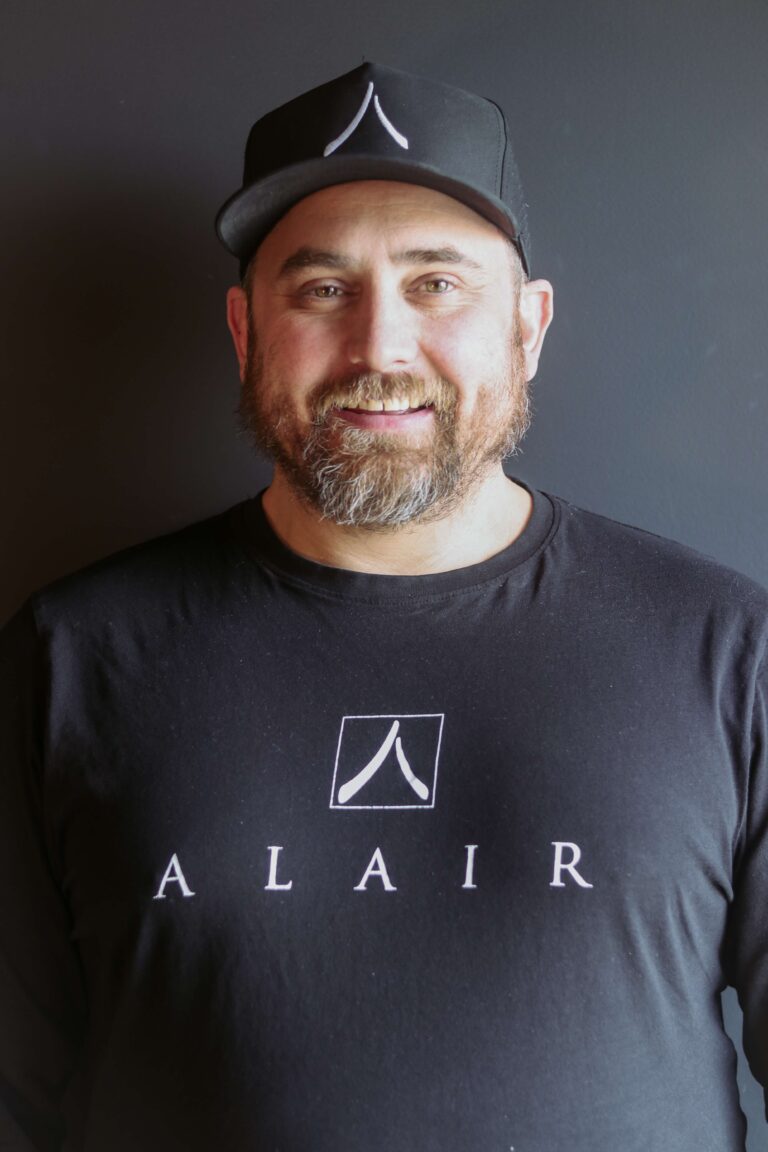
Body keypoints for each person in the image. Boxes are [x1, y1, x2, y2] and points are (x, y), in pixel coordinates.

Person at [1, 61, 766, 1152]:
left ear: (530, 326)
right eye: (322, 289)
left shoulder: (727, 653)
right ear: (244, 330)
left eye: (436, 283)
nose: (380, 347)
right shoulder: (68, 659)